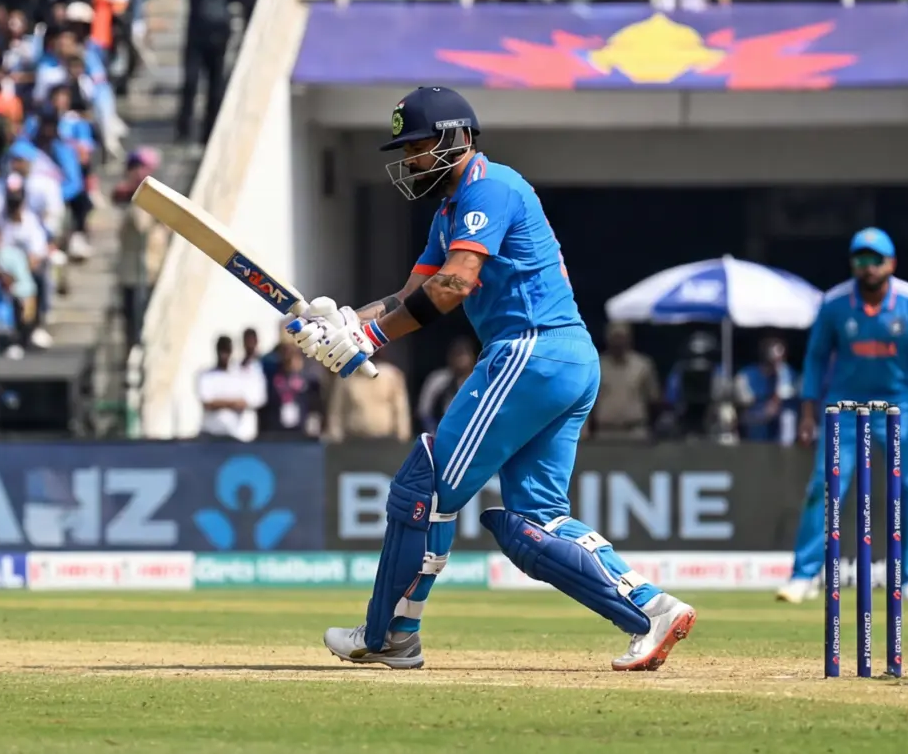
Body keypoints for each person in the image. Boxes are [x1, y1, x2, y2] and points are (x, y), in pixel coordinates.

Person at [285, 86, 694, 671]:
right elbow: (411, 295)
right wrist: (344, 321)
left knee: (425, 486)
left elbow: (455, 285)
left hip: (530, 349)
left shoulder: (490, 186)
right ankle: (651, 611)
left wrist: (369, 339)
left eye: (420, 145)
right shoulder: (450, 211)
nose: (411, 160)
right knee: (532, 521)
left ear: (458, 138)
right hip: (566, 358)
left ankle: (390, 635)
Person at [776, 228, 908, 606]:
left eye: (875, 260)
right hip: (845, 408)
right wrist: (808, 410)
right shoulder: (835, 302)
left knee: (907, 490)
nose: (868, 267)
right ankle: (803, 575)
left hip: (900, 407)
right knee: (826, 486)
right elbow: (815, 359)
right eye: (861, 259)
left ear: (891, 263)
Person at [172, 0, 241, 143]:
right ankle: (184, 130)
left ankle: (209, 132)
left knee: (215, 87)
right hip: (196, 36)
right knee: (191, 83)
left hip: (219, 37)